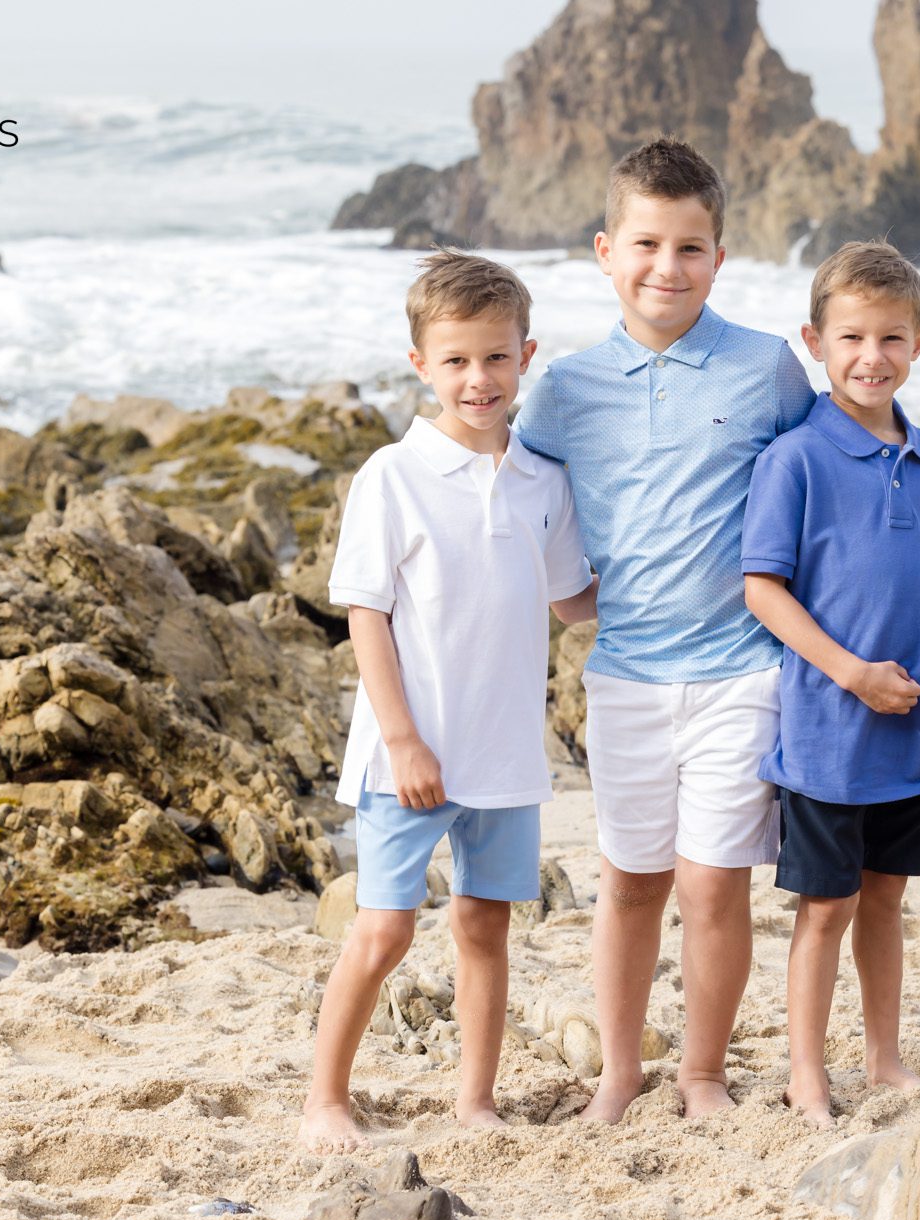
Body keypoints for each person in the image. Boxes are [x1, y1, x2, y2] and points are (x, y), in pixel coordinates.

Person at [516, 138, 815, 1122]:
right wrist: (564, 598)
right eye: (645, 244)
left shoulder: (765, 369)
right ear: (605, 250)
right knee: (631, 882)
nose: (665, 267)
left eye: (689, 248)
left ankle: (700, 1073)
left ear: (718, 258)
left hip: (741, 670)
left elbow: (817, 485)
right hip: (625, 674)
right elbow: (519, 495)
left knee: (711, 883)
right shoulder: (564, 389)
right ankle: (615, 1074)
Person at [300, 250, 596, 1153]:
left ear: (527, 355)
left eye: (497, 359)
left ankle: (476, 1099)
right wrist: (402, 739)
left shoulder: (543, 482)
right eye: (458, 360)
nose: (479, 378)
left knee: (483, 926)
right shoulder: (392, 475)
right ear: (422, 364)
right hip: (409, 754)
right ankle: (325, 1098)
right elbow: (366, 613)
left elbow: (573, 599)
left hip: (505, 753)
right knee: (384, 930)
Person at [739, 240, 920, 1127]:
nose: (869, 357)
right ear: (815, 340)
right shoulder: (797, 459)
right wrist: (850, 672)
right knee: (827, 904)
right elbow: (761, 586)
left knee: (888, 894)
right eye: (850, 338)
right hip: (830, 733)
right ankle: (808, 1070)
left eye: (890, 337)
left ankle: (883, 1056)